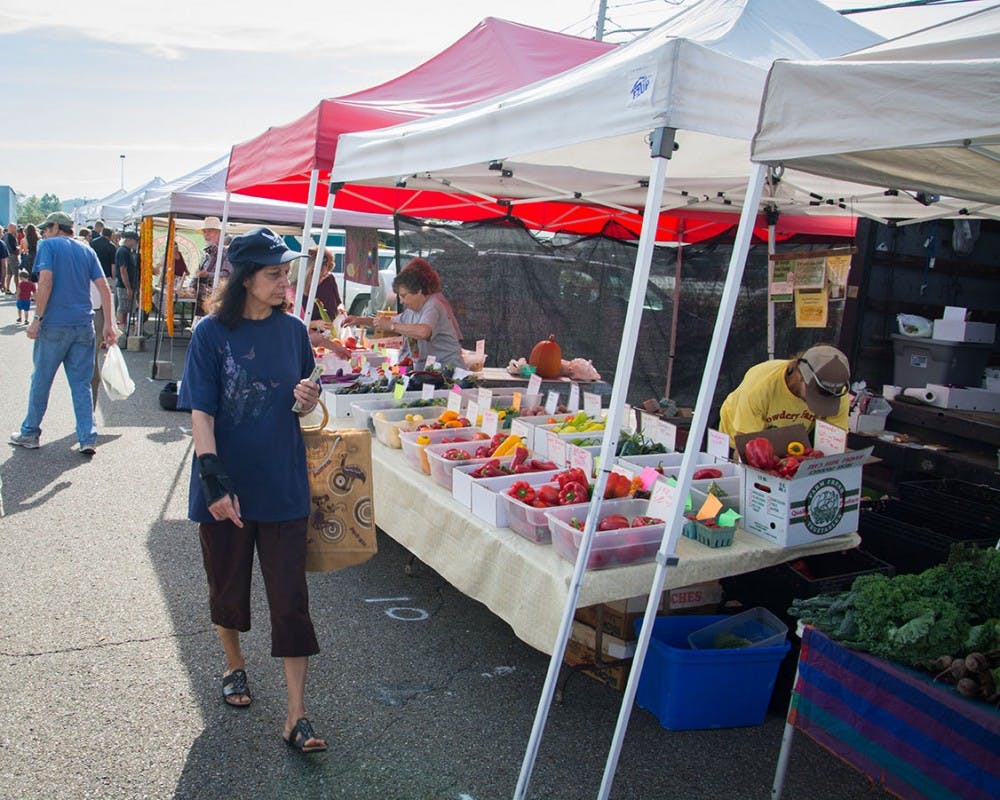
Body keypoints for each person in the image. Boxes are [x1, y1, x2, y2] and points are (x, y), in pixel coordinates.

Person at [177, 226, 326, 754]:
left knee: (290, 600)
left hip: (283, 485)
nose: (285, 281)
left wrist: (307, 397)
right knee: (227, 585)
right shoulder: (210, 335)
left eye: (286, 272)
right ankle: (234, 666)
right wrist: (214, 479)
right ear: (245, 279)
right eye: (274, 273)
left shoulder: (292, 331)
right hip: (227, 487)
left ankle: (296, 715)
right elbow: (201, 412)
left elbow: (304, 400)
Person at [8, 211, 117, 454]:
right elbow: (104, 288)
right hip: (84, 325)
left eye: (47, 228)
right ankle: (87, 436)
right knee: (81, 384)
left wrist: (36, 319)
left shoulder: (49, 246)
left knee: (41, 380)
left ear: (57, 227)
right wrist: (109, 324)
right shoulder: (86, 249)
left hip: (55, 324)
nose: (44, 232)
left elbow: (45, 282)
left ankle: (30, 432)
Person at [718, 344, 851, 446]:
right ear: (800, 375)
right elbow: (746, 447)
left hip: (793, 441)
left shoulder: (836, 391)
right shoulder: (760, 387)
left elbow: (835, 444)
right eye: (816, 395)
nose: (820, 402)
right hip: (740, 436)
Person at [345, 257, 463, 369]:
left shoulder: (433, 304)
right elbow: (386, 322)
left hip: (448, 368)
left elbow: (424, 332)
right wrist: (359, 320)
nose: (401, 301)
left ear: (418, 291)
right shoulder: (411, 311)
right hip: (429, 369)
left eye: (404, 296)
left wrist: (392, 326)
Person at [195, 216, 232, 318]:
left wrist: (208, 274)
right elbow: (199, 272)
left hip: (217, 298)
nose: (206, 235)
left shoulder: (226, 252)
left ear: (219, 233)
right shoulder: (206, 253)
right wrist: (192, 284)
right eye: (205, 232)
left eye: (210, 231)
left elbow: (227, 274)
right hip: (202, 298)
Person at [114, 230, 140, 329]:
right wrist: (128, 287)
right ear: (129, 240)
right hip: (123, 285)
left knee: (126, 308)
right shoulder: (123, 251)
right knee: (122, 308)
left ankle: (122, 329)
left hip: (126, 285)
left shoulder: (126, 251)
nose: (136, 243)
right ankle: (120, 330)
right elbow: (123, 270)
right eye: (135, 241)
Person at [4, 223, 19, 292]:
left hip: (8, 256)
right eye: (15, 228)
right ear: (11, 228)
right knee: (16, 273)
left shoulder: (5, 235)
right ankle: (17, 289)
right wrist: (19, 249)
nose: (16, 229)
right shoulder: (11, 237)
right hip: (13, 255)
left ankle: (7, 288)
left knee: (9, 273)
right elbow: (14, 247)